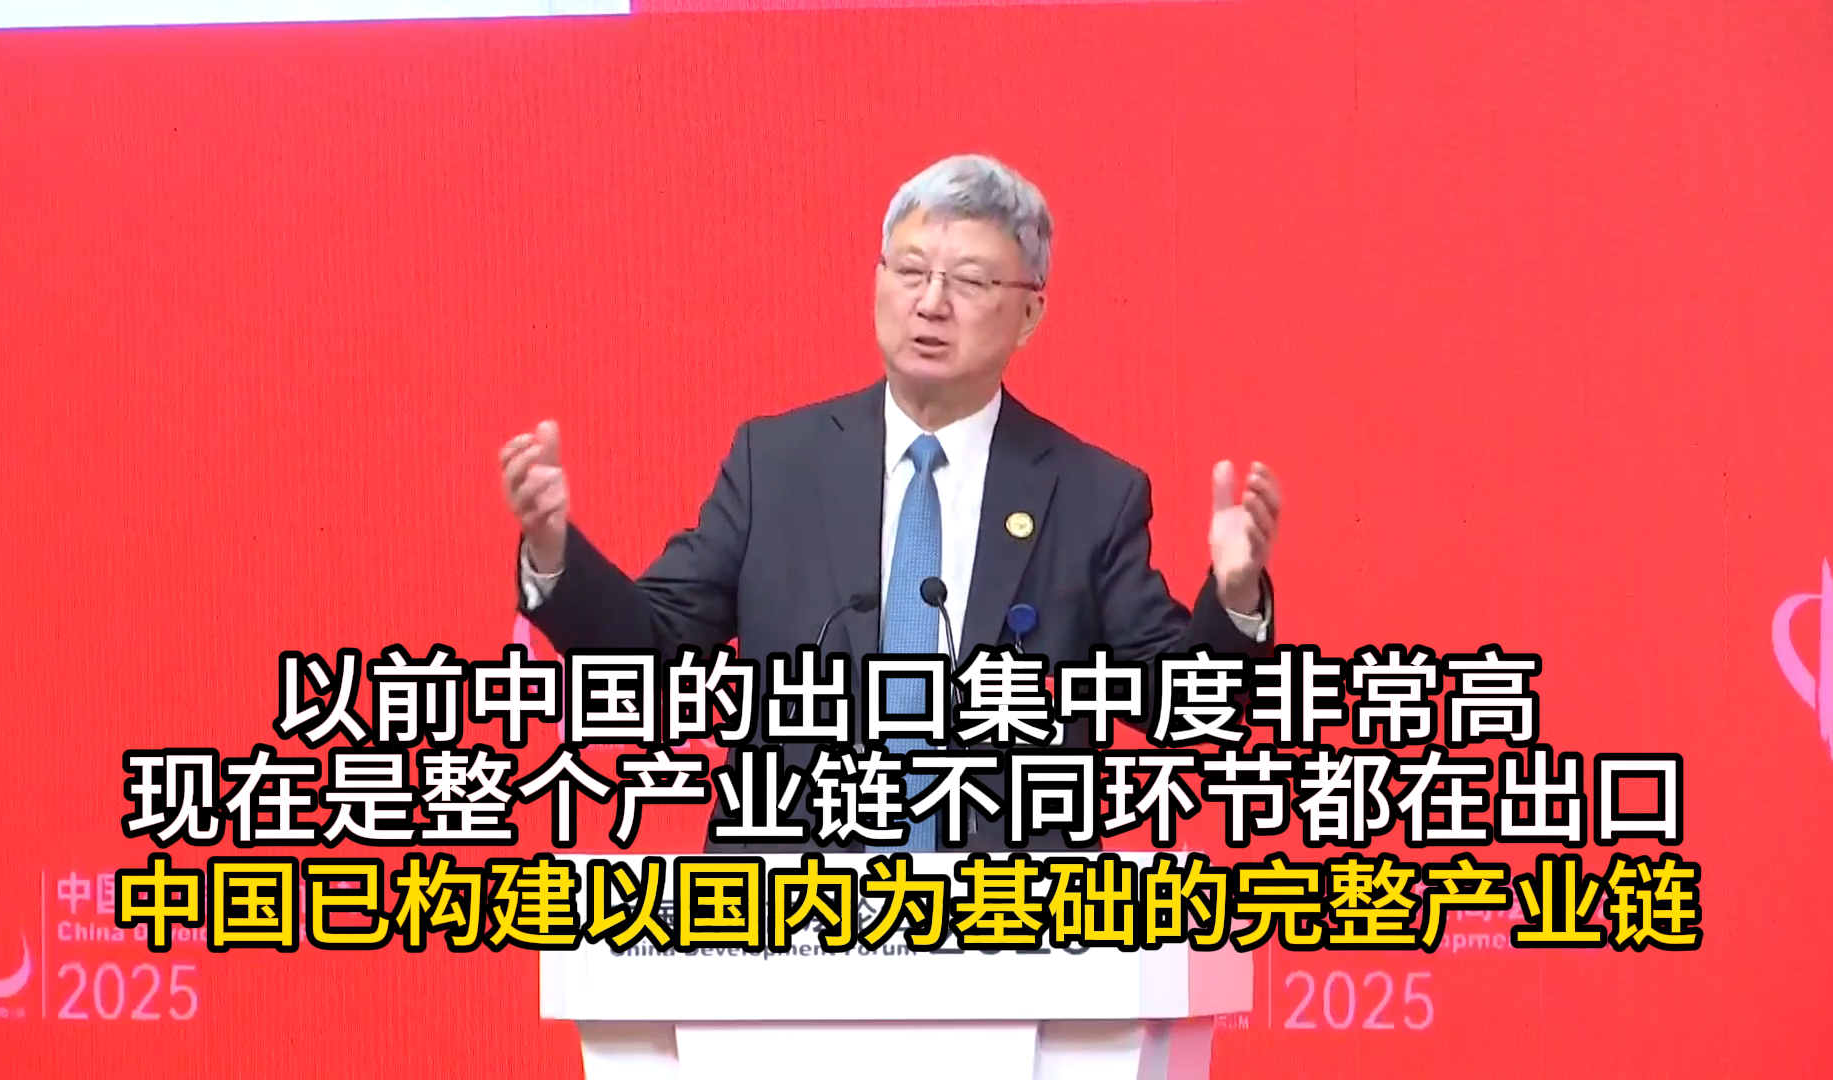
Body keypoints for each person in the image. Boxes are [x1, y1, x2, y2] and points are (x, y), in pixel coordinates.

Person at [498, 154, 1284, 853]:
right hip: (793, 915)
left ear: (1030, 314)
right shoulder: (777, 464)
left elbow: (1177, 707)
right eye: (909, 270)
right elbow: (653, 653)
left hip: (1012, 924)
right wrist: (556, 560)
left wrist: (1236, 600)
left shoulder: (1090, 494)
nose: (931, 303)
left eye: (970, 281)